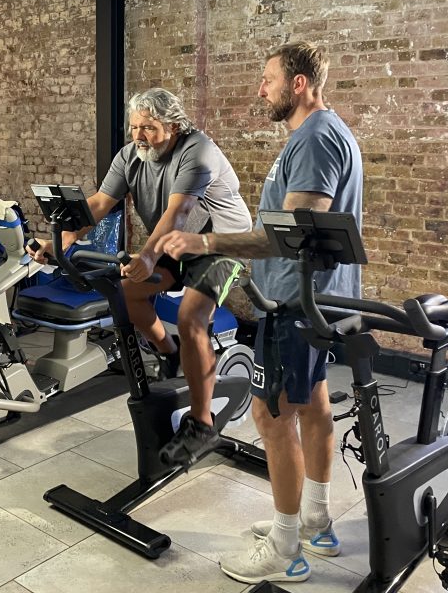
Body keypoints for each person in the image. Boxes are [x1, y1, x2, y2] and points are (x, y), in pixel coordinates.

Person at [156, 41, 362, 585]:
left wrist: (204, 243)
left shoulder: (316, 138)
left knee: (272, 417)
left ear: (298, 83)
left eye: (268, 79)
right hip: (306, 298)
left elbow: (287, 236)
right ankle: (315, 522)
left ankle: (285, 549)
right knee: (313, 405)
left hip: (297, 301)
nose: (261, 89)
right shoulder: (317, 135)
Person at [28, 87, 252, 464]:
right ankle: (170, 353)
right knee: (127, 294)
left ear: (174, 126)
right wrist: (61, 240)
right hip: (176, 241)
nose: (138, 136)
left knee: (191, 318)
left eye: (148, 127)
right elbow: (100, 203)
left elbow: (178, 213)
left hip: (220, 243)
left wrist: (148, 256)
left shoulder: (198, 152)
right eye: (134, 127)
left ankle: (202, 426)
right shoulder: (131, 155)